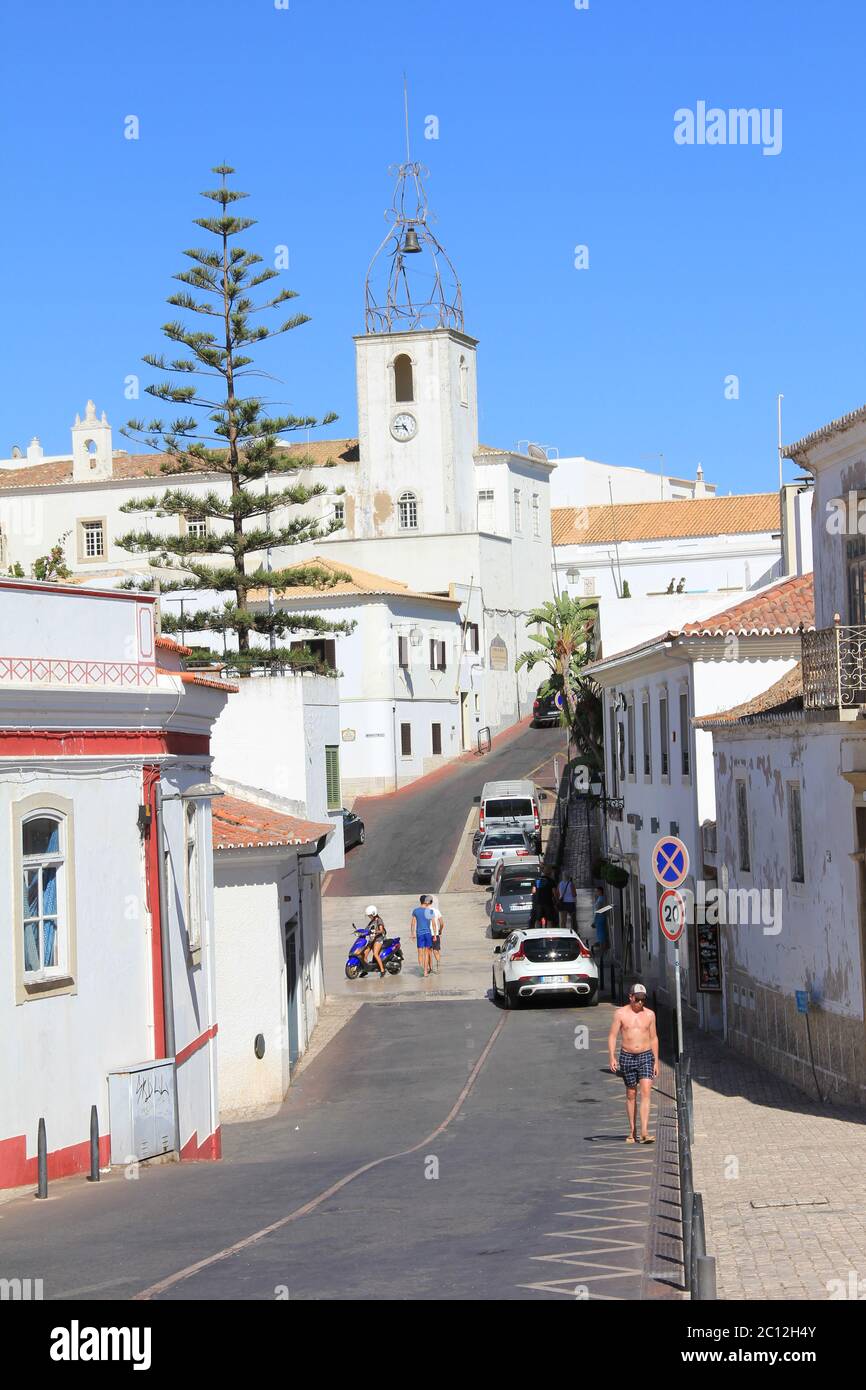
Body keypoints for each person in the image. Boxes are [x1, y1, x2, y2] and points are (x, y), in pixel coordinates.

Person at [608, 984, 658, 1143]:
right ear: (630, 997)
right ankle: (632, 1130)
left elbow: (654, 1038)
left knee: (646, 1091)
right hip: (627, 1056)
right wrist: (612, 1057)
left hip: (645, 1055)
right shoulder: (620, 1013)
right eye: (637, 999)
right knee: (631, 1093)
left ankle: (644, 1131)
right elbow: (612, 1036)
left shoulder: (650, 1015)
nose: (640, 1003)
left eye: (643, 999)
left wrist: (656, 1061)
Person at [410, 894, 435, 976]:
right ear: (426, 902)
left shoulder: (416, 911)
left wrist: (412, 933)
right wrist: (434, 935)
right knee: (427, 952)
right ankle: (425, 971)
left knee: (420, 952)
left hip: (419, 933)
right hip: (427, 933)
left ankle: (421, 969)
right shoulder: (429, 911)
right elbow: (433, 924)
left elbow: (413, 923)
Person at [362, 905, 388, 978]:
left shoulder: (379, 920)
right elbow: (366, 930)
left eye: (370, 915)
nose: (369, 917)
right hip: (371, 940)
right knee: (364, 954)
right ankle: (365, 970)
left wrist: (376, 931)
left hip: (378, 939)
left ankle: (382, 970)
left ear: (373, 913)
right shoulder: (371, 922)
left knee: (375, 954)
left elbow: (381, 930)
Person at [429, 894, 445, 972]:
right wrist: (440, 931)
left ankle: (430, 968)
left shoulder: (425, 911)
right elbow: (442, 923)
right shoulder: (437, 911)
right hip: (436, 934)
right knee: (436, 951)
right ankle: (438, 966)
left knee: (429, 951)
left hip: (428, 933)